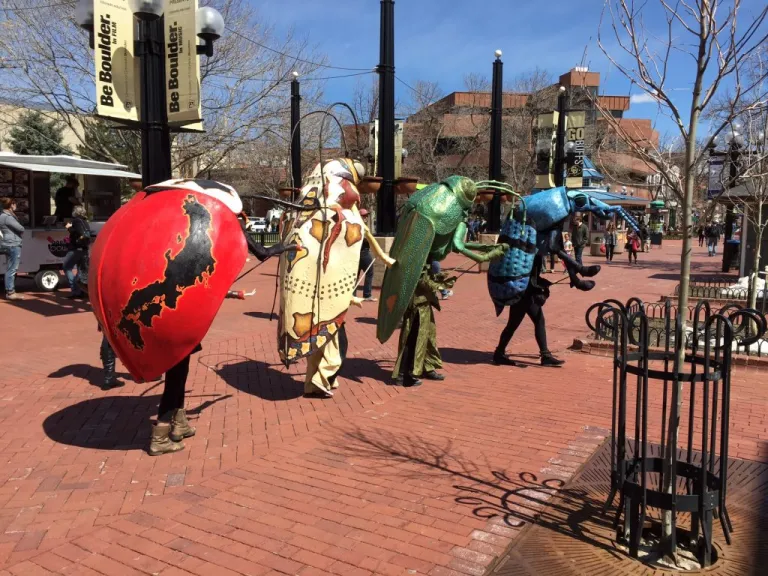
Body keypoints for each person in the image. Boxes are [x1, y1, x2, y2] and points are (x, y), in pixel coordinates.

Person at [492, 254, 564, 368]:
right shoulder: (529, 253)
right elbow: (525, 276)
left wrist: (542, 283)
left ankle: (545, 355)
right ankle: (499, 353)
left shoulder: (533, 251)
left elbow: (533, 276)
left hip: (526, 293)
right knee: (513, 324)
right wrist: (539, 288)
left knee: (538, 321)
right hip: (522, 294)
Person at [393, 265, 455, 387]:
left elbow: (426, 277)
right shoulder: (417, 254)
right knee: (411, 340)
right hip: (416, 305)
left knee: (428, 336)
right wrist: (442, 284)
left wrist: (438, 277)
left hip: (424, 303)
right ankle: (403, 375)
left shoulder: (426, 255)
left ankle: (427, 367)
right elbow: (421, 282)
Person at [62, 205, 91, 299]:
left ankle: (76, 290)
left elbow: (76, 232)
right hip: (84, 249)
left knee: (67, 267)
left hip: (76, 248)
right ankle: (81, 290)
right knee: (81, 269)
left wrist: (69, 227)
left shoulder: (76, 221)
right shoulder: (85, 222)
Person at [0, 197, 25, 301]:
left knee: (10, 268)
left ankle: (10, 291)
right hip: (12, 244)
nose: (16, 206)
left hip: (7, 243)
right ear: (11, 205)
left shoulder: (2, 215)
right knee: (12, 269)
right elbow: (20, 228)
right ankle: (10, 292)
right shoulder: (8, 217)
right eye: (15, 204)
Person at [356, 209, 376, 302]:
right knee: (369, 272)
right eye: (364, 216)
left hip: (357, 254)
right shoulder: (360, 226)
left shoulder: (355, 224)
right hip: (363, 253)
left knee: (355, 275)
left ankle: (353, 295)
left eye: (366, 216)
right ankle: (367, 295)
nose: (366, 217)